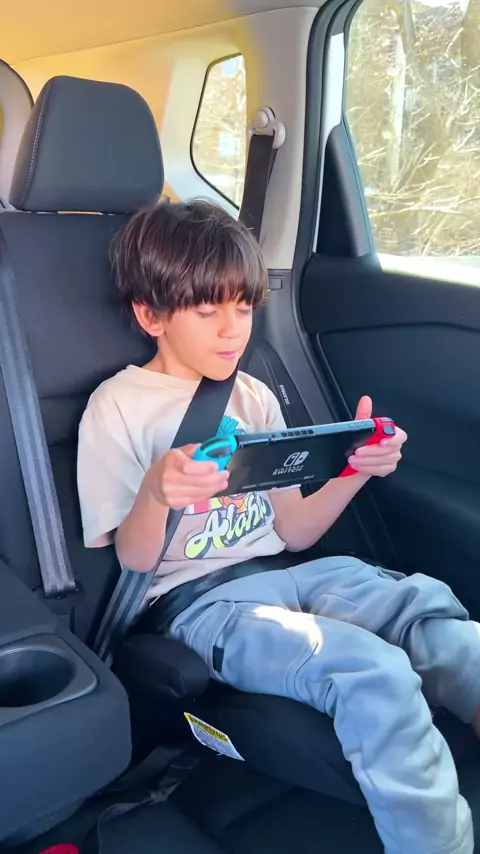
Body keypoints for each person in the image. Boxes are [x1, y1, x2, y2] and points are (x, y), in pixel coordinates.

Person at [78, 199, 479, 854]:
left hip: (296, 573)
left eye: (243, 308)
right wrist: (156, 492)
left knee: (432, 616)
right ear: (151, 316)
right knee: (368, 669)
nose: (232, 330)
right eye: (207, 311)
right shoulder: (117, 407)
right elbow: (134, 559)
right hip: (203, 604)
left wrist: (354, 472)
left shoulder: (252, 396)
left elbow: (295, 531)